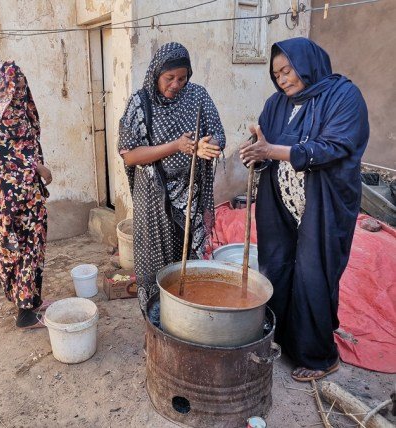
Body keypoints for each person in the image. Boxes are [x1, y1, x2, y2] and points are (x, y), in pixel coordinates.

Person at [239, 38, 369, 381]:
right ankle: (283, 338)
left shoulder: (343, 96)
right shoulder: (277, 103)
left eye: (287, 70)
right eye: (276, 74)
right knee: (277, 265)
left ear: (307, 63)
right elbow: (265, 143)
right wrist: (254, 150)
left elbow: (335, 146)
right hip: (281, 198)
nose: (282, 79)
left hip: (323, 201)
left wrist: (273, 151)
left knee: (314, 273)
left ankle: (319, 356)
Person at [118, 42, 225, 314]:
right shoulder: (140, 103)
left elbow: (218, 134)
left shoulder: (198, 96)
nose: (176, 84)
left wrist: (206, 144)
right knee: (155, 260)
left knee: (188, 258)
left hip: (190, 192)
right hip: (153, 195)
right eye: (170, 78)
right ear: (156, 74)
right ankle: (157, 320)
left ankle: (187, 317)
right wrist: (176, 146)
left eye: (182, 78)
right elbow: (130, 155)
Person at [0, 61, 52, 329]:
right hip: (20, 203)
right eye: (18, 88)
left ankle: (29, 301)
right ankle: (26, 314)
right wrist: (39, 169)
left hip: (7, 203)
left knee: (18, 248)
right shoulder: (7, 122)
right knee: (27, 249)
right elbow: (11, 162)